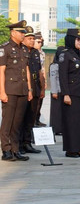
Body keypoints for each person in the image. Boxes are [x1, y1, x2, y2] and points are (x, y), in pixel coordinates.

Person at [0, 20, 32, 161]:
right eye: (21, 32)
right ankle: (6, 149)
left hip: (23, 89)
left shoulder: (24, 49)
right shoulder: (5, 48)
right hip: (10, 89)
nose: (23, 35)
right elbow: (1, 71)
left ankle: (15, 149)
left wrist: (30, 89)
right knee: (7, 121)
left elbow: (27, 70)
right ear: (13, 33)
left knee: (18, 122)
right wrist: (2, 91)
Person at [59, 29, 80, 158]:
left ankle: (77, 148)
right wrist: (65, 94)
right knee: (71, 122)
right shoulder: (65, 55)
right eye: (78, 40)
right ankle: (70, 149)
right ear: (70, 39)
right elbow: (62, 76)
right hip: (72, 93)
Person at [19, 26, 43, 154]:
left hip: (35, 87)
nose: (32, 41)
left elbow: (39, 71)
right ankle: (18, 144)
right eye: (29, 38)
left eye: (33, 38)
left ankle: (27, 143)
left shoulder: (35, 52)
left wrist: (42, 88)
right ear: (23, 39)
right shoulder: (21, 51)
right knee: (20, 118)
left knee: (30, 118)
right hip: (23, 87)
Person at [49, 46, 65, 136]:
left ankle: (62, 128)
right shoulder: (54, 65)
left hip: (64, 91)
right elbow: (53, 79)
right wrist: (54, 91)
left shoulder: (64, 64)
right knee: (56, 111)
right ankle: (56, 128)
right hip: (57, 91)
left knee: (62, 111)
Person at [33, 32, 47, 126]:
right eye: (38, 41)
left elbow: (43, 67)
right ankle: (32, 120)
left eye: (41, 42)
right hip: (33, 78)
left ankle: (37, 119)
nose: (40, 43)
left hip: (41, 78)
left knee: (40, 100)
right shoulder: (31, 52)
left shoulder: (42, 53)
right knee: (34, 101)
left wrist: (44, 81)